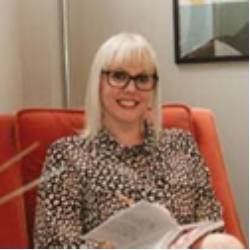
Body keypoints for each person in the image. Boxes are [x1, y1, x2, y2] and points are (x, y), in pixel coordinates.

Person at [33, 33, 241, 248]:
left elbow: (211, 223)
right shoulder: (67, 154)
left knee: (222, 243)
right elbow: (53, 244)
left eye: (142, 79)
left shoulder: (181, 145)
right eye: (119, 76)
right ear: (98, 83)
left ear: (153, 89)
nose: (131, 89)